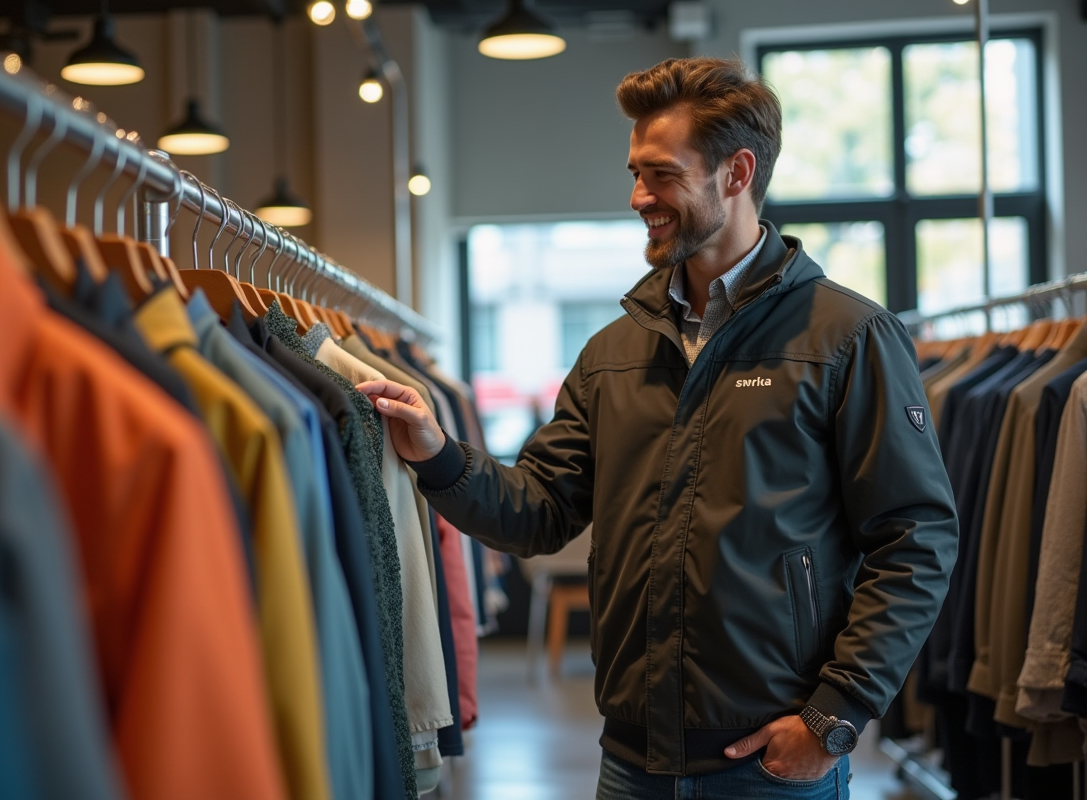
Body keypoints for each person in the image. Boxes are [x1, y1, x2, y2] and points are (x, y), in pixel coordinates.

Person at [358, 56, 958, 800]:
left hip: (772, 766)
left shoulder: (846, 337)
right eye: (635, 173)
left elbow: (916, 538)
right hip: (631, 762)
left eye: (662, 174)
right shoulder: (614, 352)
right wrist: (438, 455)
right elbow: (540, 510)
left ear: (736, 174)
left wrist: (835, 717)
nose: (639, 196)